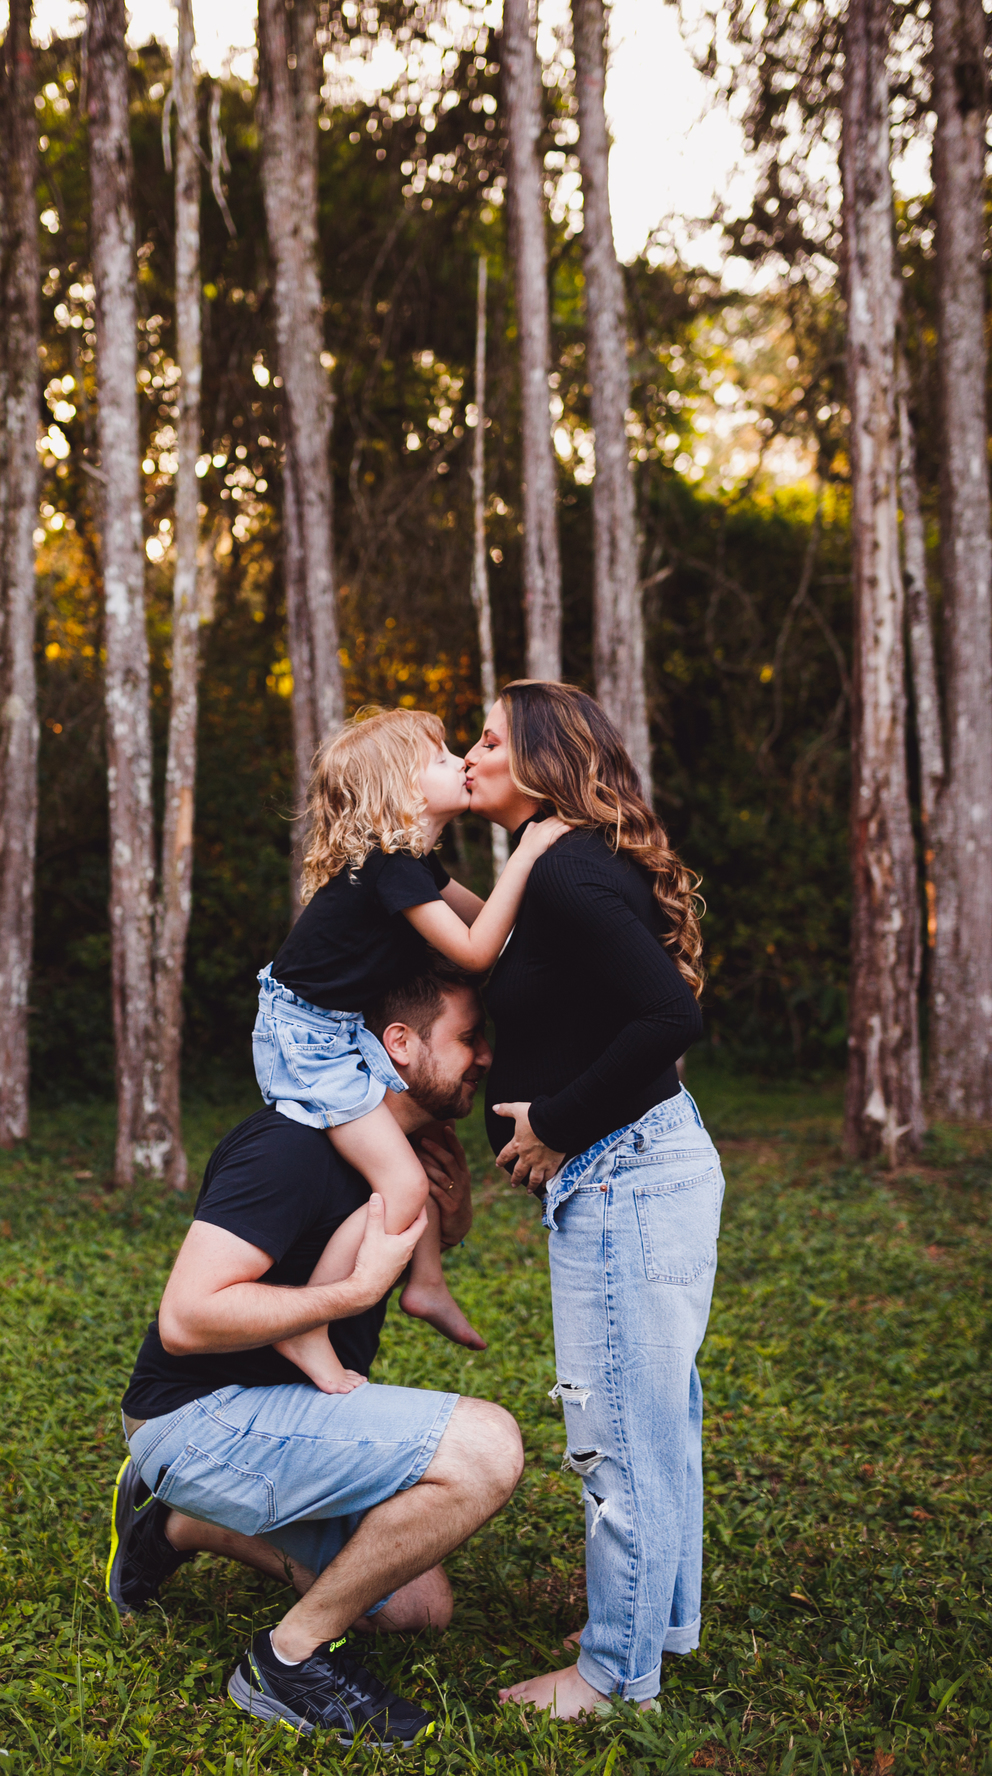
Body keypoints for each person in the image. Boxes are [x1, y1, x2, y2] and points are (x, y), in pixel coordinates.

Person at [105, 963, 524, 1748]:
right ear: (399, 1044)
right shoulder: (289, 1147)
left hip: (283, 1413)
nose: (486, 1056)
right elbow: (186, 1319)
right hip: (197, 1418)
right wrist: (349, 1294)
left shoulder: (398, 1153)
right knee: (488, 1447)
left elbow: (399, 1248)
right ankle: (286, 1662)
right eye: (469, 1037)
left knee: (417, 1609)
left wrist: (455, 1214)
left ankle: (172, 1526)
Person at [464, 680, 721, 1721]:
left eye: (488, 739)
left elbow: (668, 1017)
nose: (470, 755)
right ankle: (659, 1625)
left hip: (624, 1175)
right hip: (644, 1171)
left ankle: (615, 1679)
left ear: (539, 759)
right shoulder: (566, 862)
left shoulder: (568, 872)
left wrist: (556, 1123)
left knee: (619, 1430)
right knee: (657, 1423)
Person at [254, 706, 567, 1392]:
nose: (462, 761)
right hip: (306, 1041)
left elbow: (494, 924)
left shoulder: (415, 865)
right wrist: (530, 852)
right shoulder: (390, 868)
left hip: (337, 1027)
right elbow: (476, 950)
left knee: (419, 1147)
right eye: (441, 757)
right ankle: (307, 1324)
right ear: (401, 792)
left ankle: (425, 1283)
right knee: (400, 1182)